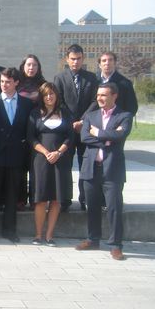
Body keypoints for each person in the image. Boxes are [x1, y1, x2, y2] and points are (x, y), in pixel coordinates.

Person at [76, 82, 132, 261]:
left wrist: (98, 133)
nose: (100, 98)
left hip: (112, 170)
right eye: (98, 95)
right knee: (92, 206)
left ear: (114, 96)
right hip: (91, 168)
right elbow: (84, 137)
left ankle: (116, 245)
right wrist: (108, 137)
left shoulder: (124, 115)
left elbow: (120, 136)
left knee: (114, 208)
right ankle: (93, 239)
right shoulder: (91, 116)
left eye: (104, 95)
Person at [0, 68, 34, 243]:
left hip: (15, 155)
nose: (4, 85)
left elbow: (28, 130)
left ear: (16, 83)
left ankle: (9, 230)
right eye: (2, 81)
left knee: (12, 195)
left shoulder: (26, 104)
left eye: (8, 82)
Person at [27, 82, 74, 246]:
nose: (49, 97)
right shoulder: (34, 114)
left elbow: (70, 136)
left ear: (56, 96)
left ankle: (49, 236)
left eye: (52, 94)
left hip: (60, 161)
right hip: (41, 160)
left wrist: (59, 152)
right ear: (42, 96)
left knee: (56, 199)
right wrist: (46, 152)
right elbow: (31, 137)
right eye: (46, 94)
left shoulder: (65, 113)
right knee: (40, 199)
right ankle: (38, 235)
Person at [53, 44, 97, 212]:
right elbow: (59, 101)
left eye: (78, 59)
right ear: (67, 59)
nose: (75, 62)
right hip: (67, 129)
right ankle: (64, 199)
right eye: (72, 59)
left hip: (86, 129)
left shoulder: (92, 78)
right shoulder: (60, 78)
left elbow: (95, 101)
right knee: (65, 165)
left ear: (83, 58)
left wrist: (83, 121)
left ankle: (84, 198)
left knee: (86, 165)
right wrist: (72, 121)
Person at [17, 54, 46, 209]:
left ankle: (36, 199)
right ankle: (20, 199)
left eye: (34, 65)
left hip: (38, 129)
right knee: (20, 166)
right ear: (23, 66)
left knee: (36, 166)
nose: (31, 68)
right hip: (20, 129)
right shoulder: (17, 83)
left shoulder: (43, 84)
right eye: (28, 65)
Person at [92, 51, 138, 116]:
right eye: (104, 60)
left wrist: (123, 122)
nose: (107, 63)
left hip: (116, 122)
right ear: (99, 65)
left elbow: (132, 108)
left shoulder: (125, 83)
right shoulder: (92, 81)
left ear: (115, 63)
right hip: (95, 122)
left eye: (110, 60)